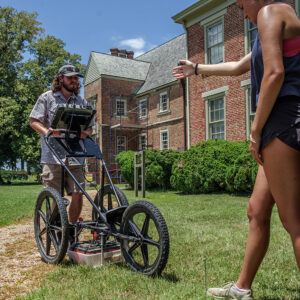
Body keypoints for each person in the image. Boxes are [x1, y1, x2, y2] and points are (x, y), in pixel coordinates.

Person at [173, 0, 300, 299]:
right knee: (256, 210)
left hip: (282, 122)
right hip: (278, 125)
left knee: (293, 220)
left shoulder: (272, 12)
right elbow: (238, 66)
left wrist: (255, 131)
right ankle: (242, 288)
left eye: (242, 0)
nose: (240, 6)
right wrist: (196, 68)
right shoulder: (273, 21)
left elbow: (274, 74)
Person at [29, 65, 93, 226]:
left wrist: (85, 133)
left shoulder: (81, 101)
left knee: (78, 194)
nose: (74, 80)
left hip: (75, 155)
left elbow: (90, 126)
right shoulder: (47, 98)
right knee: (55, 197)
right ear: (60, 78)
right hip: (52, 156)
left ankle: (70, 230)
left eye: (76, 77)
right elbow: (34, 121)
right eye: (70, 77)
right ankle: (57, 229)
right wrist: (48, 132)